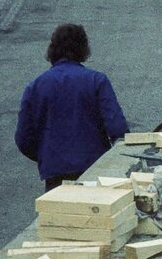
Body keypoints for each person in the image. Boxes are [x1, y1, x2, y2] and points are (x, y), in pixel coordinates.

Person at [15, 23, 130, 190]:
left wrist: (47, 155)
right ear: (83, 49)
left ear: (52, 50)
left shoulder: (35, 87)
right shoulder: (96, 80)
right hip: (94, 168)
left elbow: (23, 138)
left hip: (55, 173)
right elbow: (117, 128)